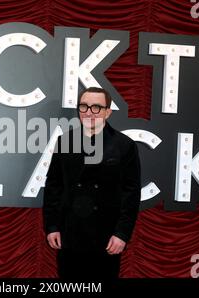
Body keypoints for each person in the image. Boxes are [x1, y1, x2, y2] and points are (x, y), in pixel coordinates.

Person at [42, 87, 141, 279]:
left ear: (108, 112)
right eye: (84, 106)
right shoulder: (65, 141)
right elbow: (54, 186)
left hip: (106, 237)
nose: (89, 112)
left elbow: (131, 193)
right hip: (70, 234)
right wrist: (52, 226)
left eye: (96, 107)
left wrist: (122, 233)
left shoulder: (125, 145)